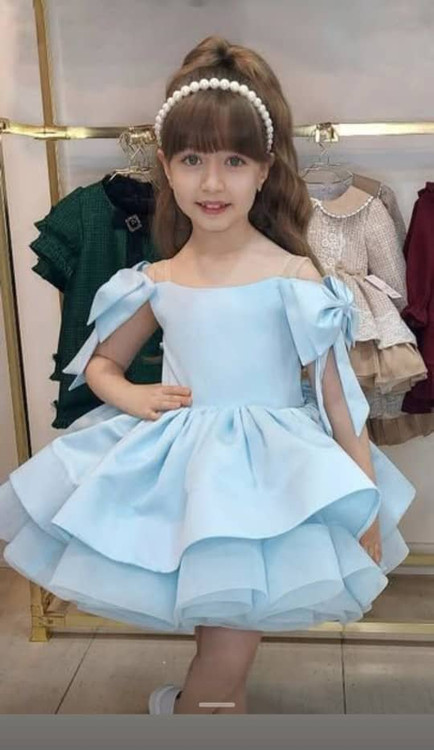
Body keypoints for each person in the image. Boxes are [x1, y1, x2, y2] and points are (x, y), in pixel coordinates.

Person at [0, 35, 416, 715]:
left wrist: (363, 497)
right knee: (222, 647)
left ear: (264, 171)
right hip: (187, 481)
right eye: (193, 160)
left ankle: (193, 710)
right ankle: (198, 711)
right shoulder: (157, 280)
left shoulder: (294, 276)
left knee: (227, 649)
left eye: (233, 161)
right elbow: (100, 366)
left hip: (269, 484)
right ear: (166, 168)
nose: (213, 183)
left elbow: (338, 400)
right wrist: (131, 394)